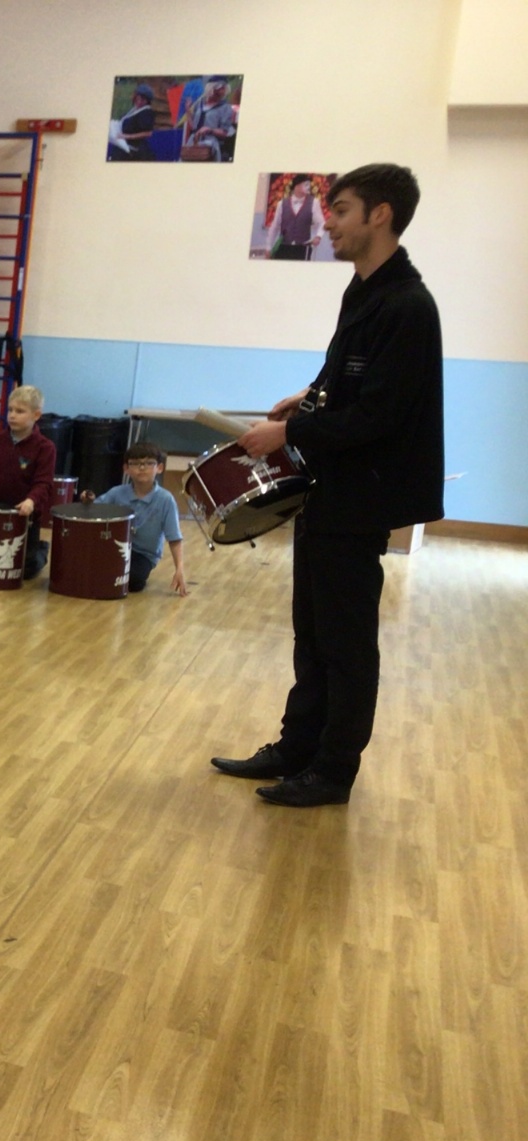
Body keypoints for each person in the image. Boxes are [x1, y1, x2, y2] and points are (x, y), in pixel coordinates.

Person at [213, 163, 444, 807]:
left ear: (380, 215)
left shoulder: (408, 306)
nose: (328, 222)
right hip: (330, 485)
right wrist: (308, 396)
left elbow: (379, 415)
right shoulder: (363, 290)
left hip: (363, 494)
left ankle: (333, 770)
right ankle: (297, 747)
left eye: (340, 210)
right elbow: (345, 377)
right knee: (312, 632)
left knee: (345, 643)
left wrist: (288, 433)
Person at [85, 442, 188, 596]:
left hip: (144, 555)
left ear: (159, 468)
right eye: (135, 463)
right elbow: (94, 509)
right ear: (126, 469)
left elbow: (174, 538)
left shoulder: (166, 500)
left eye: (149, 463)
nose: (142, 468)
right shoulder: (117, 493)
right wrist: (87, 500)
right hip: (114, 547)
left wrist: (179, 569)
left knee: (133, 580)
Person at [0, 385, 56, 578]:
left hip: (25, 514)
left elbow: (44, 483)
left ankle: (41, 549)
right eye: (10, 410)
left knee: (24, 570)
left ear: (36, 415)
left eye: (20, 411)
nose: (12, 415)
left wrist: (31, 500)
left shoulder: (45, 447)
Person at [266, 174, 326, 261]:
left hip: (303, 248)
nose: (309, 187)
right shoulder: (282, 204)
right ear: (297, 186)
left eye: (309, 185)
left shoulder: (314, 202)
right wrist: (268, 247)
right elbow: (274, 226)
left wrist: (318, 236)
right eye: (306, 185)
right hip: (284, 247)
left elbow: (321, 223)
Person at [183, 75, 236, 162]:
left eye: (224, 88)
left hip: (210, 145)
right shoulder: (199, 104)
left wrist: (209, 130)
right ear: (211, 88)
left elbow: (225, 133)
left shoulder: (225, 107)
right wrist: (188, 111)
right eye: (220, 88)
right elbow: (193, 127)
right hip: (193, 142)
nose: (223, 91)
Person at [108, 82, 156, 162]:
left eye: (143, 100)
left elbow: (148, 133)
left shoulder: (146, 113)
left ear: (147, 101)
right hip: (121, 143)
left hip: (129, 148)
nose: (139, 101)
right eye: (138, 98)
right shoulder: (135, 109)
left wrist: (126, 136)